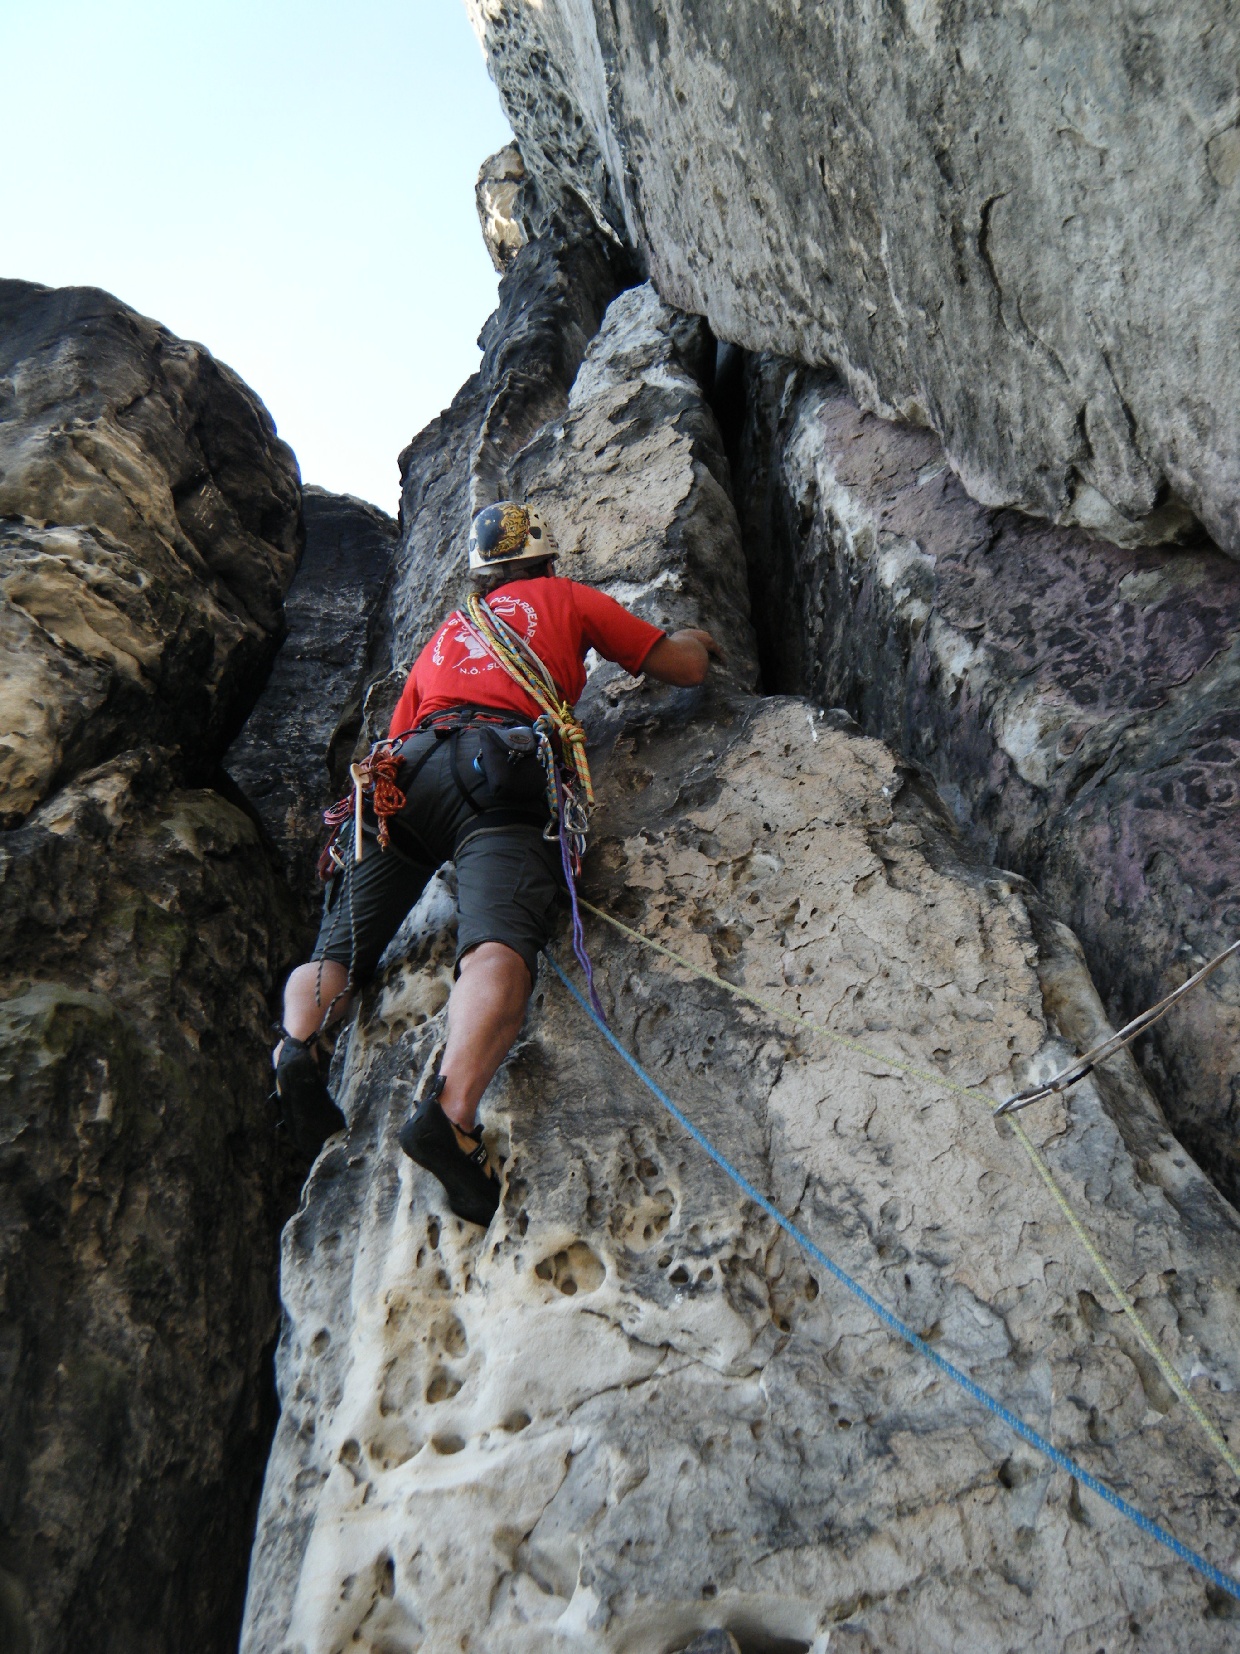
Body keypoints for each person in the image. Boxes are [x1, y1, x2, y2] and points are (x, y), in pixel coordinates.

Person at [273, 500, 722, 1227]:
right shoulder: (566, 599)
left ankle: (298, 1046)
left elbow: (399, 733)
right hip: (498, 778)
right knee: (497, 945)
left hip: (404, 775)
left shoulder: (449, 632)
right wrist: (699, 641)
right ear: (546, 562)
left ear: (483, 577)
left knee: (340, 952)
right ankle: (450, 1117)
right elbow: (682, 667)